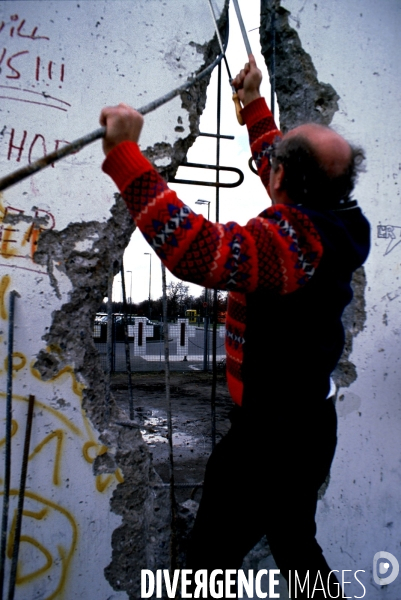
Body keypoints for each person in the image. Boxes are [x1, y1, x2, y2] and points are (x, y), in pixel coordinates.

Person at [100, 55, 370, 598]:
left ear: (283, 182)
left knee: (207, 564)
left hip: (271, 436)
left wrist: (126, 155)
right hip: (311, 422)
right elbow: (288, 167)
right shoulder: (341, 219)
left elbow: (197, 250)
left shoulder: (291, 240)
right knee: (296, 544)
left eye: (277, 165)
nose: (271, 166)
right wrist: (252, 106)